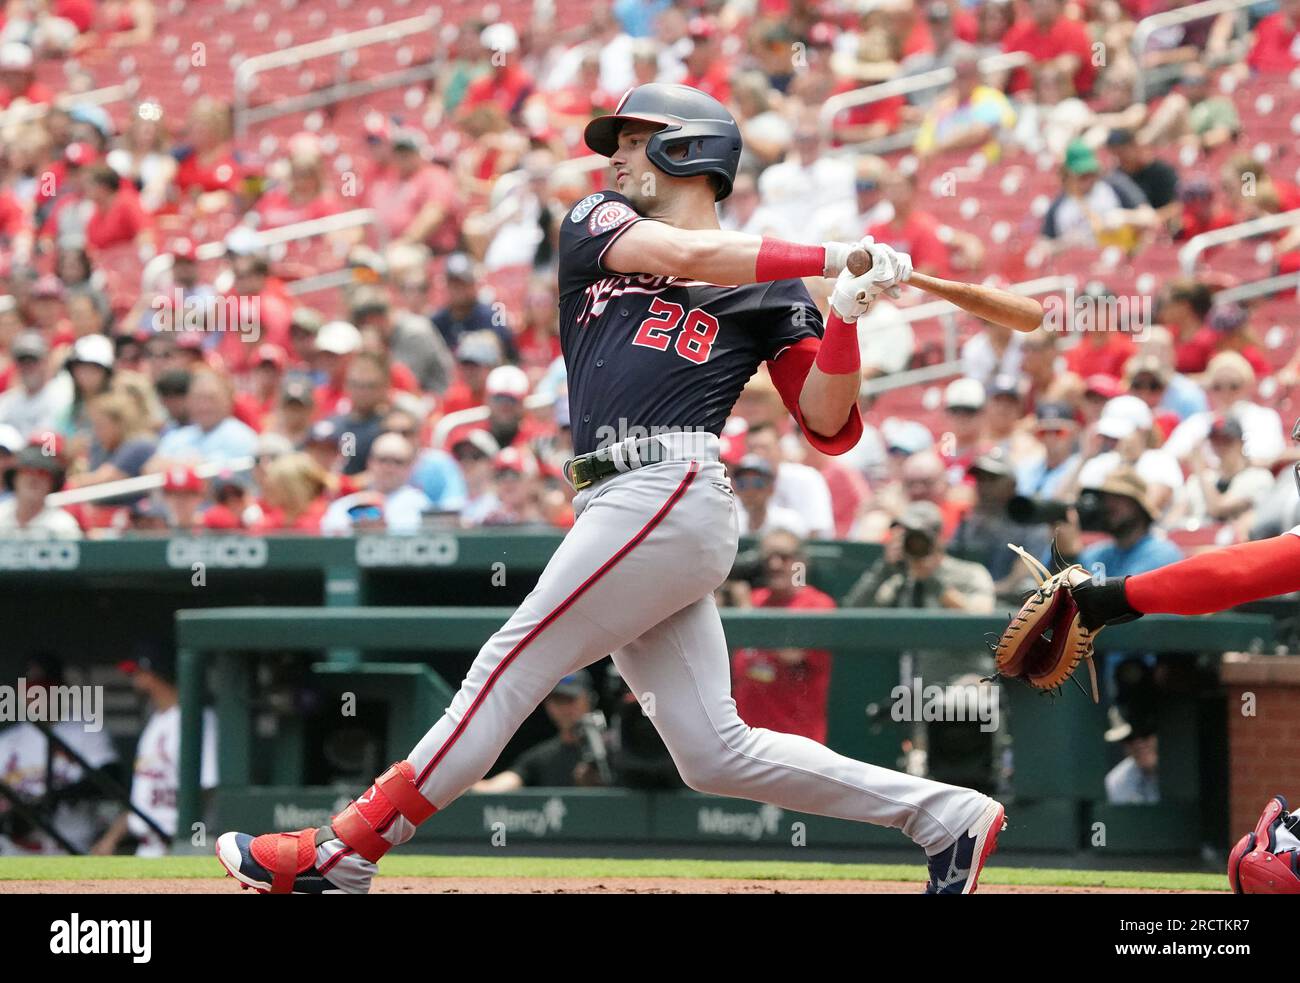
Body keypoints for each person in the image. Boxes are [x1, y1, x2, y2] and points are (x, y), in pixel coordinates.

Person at [218, 82, 1005, 897]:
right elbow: (690, 258)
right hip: (619, 498)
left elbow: (830, 423)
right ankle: (947, 815)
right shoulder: (596, 220)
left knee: (510, 663)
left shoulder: (769, 287)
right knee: (712, 752)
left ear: (691, 148)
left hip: (670, 484)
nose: (616, 156)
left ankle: (346, 850)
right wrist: (830, 256)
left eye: (633, 139)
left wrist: (843, 311)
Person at [91, 654, 219, 856]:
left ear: (152, 675)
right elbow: (141, 800)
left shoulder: (198, 720)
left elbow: (208, 789)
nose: (133, 678)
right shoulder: (157, 721)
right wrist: (111, 839)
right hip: (148, 848)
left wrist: (190, 843)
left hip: (179, 846)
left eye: (137, 672)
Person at [730, 530, 835, 744]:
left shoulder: (817, 604)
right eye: (768, 558)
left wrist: (747, 614)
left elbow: (792, 655)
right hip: (746, 741)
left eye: (784, 557)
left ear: (801, 562)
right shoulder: (755, 600)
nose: (775, 565)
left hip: (796, 743)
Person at [471, 672, 603, 791]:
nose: (564, 708)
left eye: (570, 700)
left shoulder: (614, 747)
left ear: (589, 699)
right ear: (547, 705)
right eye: (558, 700)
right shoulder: (542, 757)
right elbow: (501, 784)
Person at [321, 432, 432, 534]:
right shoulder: (348, 504)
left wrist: (385, 530)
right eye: (383, 460)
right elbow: (328, 535)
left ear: (410, 467)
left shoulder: (421, 504)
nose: (389, 467)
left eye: (398, 462)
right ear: (370, 462)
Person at [0, 446, 81, 538]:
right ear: (14, 478)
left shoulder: (63, 527)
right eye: (27, 471)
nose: (33, 478)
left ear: (52, 483)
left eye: (42, 473)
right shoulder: (1, 516)